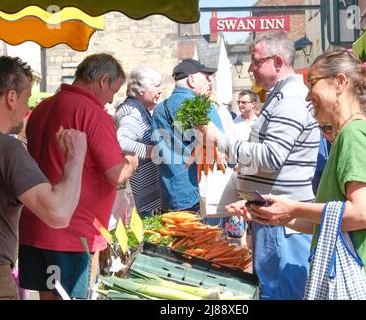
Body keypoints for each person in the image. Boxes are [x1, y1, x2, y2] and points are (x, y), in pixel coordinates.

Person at [231, 47, 366, 300]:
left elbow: (362, 213)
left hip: (361, 286)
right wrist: (278, 214)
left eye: (313, 84)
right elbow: (330, 222)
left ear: (340, 82)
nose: (308, 96)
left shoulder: (354, 135)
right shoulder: (355, 133)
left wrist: (295, 208)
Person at [203, 31, 320, 299]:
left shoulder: (289, 101)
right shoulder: (280, 98)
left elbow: (271, 156)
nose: (250, 68)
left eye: (256, 61)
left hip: (281, 222)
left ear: (277, 61)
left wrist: (221, 141)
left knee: (280, 293)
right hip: (274, 218)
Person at [18, 53, 138, 300]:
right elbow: (116, 174)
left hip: (35, 225)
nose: (110, 100)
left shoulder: (43, 107)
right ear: (103, 81)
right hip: (72, 234)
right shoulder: (92, 113)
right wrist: (132, 162)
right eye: (113, 91)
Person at [0, 56, 87, 300]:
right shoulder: (5, 148)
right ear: (11, 97)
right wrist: (76, 156)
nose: (28, 108)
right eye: (27, 97)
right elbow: (58, 213)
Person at [152, 59, 224, 217]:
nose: (210, 82)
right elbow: (221, 143)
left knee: (178, 241)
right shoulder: (199, 104)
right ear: (191, 79)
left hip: (170, 192)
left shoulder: (159, 109)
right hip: (200, 193)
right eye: (206, 77)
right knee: (207, 240)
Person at [114, 66, 162, 218]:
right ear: (141, 90)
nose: (160, 91)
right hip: (137, 199)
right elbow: (122, 141)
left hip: (144, 199)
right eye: (156, 86)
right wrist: (154, 152)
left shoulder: (140, 110)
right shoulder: (131, 112)